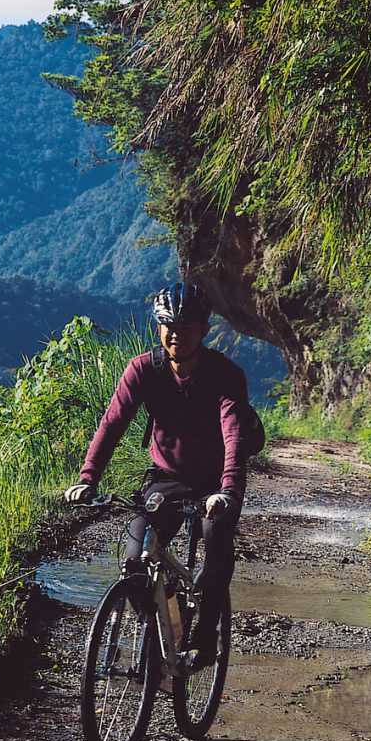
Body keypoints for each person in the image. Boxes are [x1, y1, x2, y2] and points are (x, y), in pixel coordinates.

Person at [64, 282, 251, 669]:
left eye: (184, 325)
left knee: (216, 546)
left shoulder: (225, 375)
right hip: (166, 474)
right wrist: (88, 478)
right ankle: (169, 630)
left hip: (218, 481)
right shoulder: (144, 369)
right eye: (167, 324)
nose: (174, 333)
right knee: (135, 559)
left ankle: (204, 638)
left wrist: (229, 490)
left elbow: (233, 432)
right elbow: (113, 424)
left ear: (203, 329)